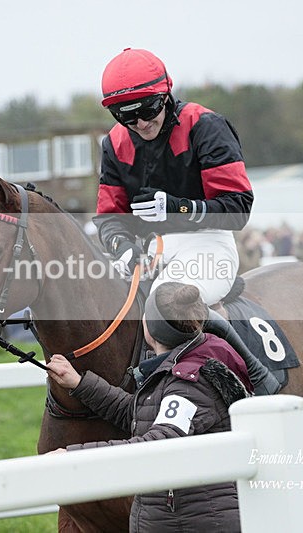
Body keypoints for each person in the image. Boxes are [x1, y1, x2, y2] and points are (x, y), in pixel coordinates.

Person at [94, 48, 278, 395]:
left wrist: (179, 208)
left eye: (148, 110)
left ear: (166, 94)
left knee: (165, 304)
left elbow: (238, 208)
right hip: (148, 252)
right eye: (126, 117)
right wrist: (120, 245)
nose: (141, 124)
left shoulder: (205, 126)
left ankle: (254, 379)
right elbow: (110, 218)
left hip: (208, 243)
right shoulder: (114, 143)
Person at [46, 282, 252, 532]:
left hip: (189, 524)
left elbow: (157, 444)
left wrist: (73, 457)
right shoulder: (186, 362)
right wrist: (79, 383)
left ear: (151, 329)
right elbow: (138, 413)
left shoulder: (189, 382)